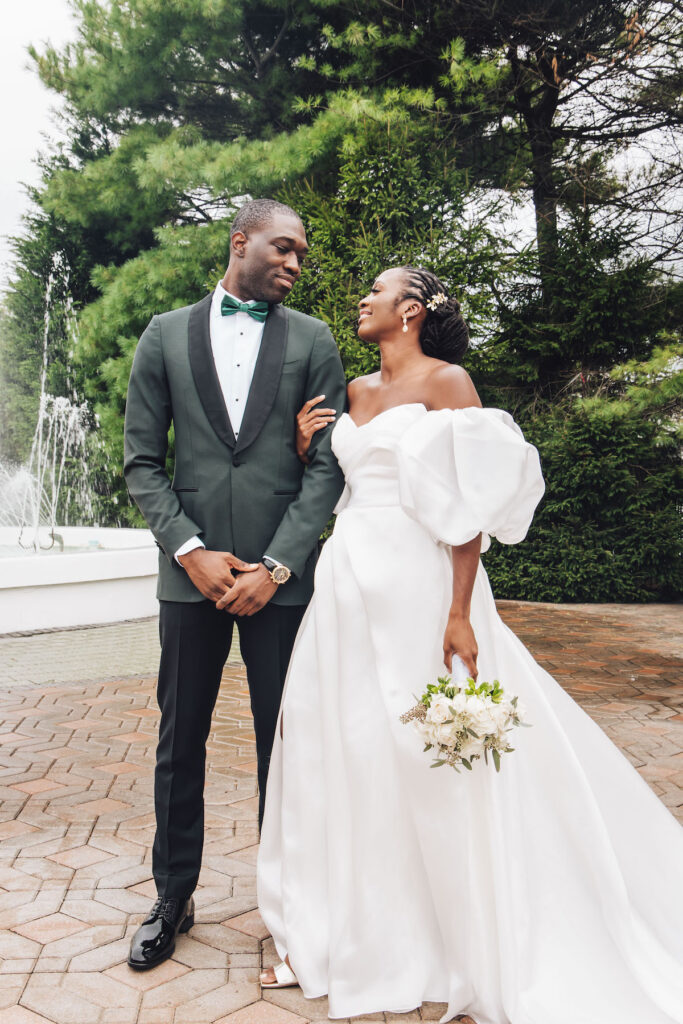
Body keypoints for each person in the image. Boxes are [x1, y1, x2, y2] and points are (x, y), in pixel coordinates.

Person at [257, 266, 683, 1023]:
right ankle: (356, 925)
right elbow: (339, 488)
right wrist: (301, 450)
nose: (363, 299)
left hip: (420, 585)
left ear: (410, 311)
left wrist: (458, 613)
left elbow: (469, 509)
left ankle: (448, 928)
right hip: (346, 584)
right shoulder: (353, 391)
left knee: (425, 749)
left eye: (377, 292)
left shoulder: (450, 384)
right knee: (349, 746)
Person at [123, 199, 347, 970]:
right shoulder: (162, 335)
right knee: (179, 739)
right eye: (283, 248)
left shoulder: (315, 341)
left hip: (280, 584)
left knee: (284, 745)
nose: (293, 262)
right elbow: (142, 463)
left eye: (301, 256)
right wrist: (191, 552)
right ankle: (172, 894)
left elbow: (326, 468)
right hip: (189, 581)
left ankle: (288, 902)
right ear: (240, 240)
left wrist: (277, 565)